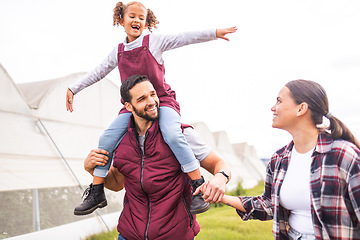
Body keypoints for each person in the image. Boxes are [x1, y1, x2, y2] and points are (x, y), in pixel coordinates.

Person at [68, 1, 237, 215]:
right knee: (106, 140)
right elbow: (97, 72)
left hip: (162, 101)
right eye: (132, 16)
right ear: (121, 20)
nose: (137, 20)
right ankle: (97, 191)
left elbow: (185, 37)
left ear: (146, 22)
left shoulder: (154, 42)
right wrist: (74, 88)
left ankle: (197, 185)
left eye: (142, 17)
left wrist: (214, 33)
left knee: (173, 135)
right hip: (133, 107)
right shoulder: (118, 52)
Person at [82, 75, 231, 239]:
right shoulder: (121, 141)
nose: (152, 101)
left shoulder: (181, 135)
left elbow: (219, 163)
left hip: (175, 235)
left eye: (153, 94)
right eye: (142, 99)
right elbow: (118, 183)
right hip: (129, 234)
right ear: (129, 106)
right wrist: (91, 169)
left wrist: (221, 178)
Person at [213, 79, 360, 239]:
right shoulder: (279, 159)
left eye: (279, 101)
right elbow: (269, 205)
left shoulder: (343, 155)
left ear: (301, 108)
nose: (272, 108)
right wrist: (222, 197)